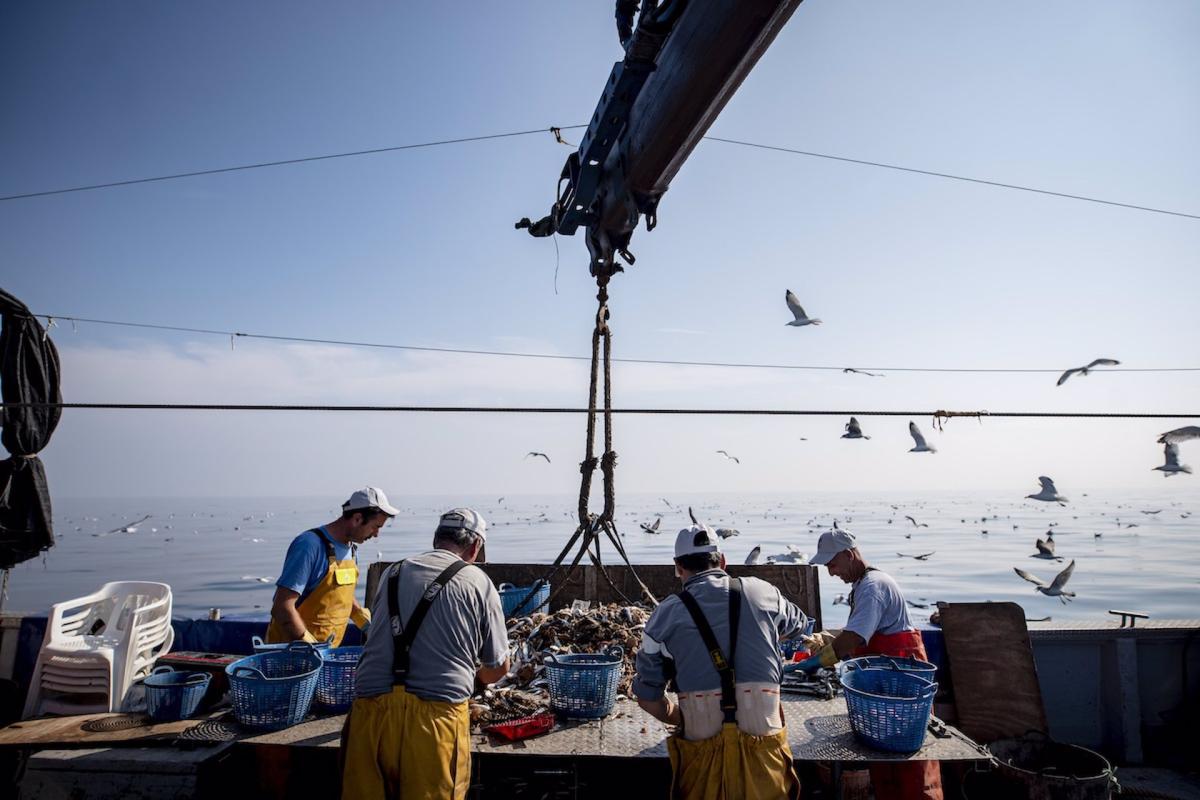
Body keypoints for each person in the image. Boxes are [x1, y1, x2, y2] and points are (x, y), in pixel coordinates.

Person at [341, 508, 510, 799]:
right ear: (475, 547)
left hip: (369, 715)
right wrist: (476, 679)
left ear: (436, 539)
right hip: (435, 723)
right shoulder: (479, 582)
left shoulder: (390, 573)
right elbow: (499, 667)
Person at [633, 523, 810, 799]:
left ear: (678, 567)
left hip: (703, 761)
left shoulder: (663, 617)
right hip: (766, 757)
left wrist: (682, 718)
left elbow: (647, 699)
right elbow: (800, 626)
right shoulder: (765, 592)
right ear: (723, 561)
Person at [798, 528, 944, 800]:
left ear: (850, 554)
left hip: (904, 684)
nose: (831, 572)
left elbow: (853, 639)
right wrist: (825, 637)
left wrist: (816, 662)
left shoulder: (872, 587)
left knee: (912, 759)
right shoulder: (864, 584)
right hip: (888, 683)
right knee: (884, 754)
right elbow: (859, 629)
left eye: (832, 564)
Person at [265, 487, 397, 647]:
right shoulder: (309, 545)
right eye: (376, 526)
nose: (376, 534)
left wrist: (367, 626)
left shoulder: (351, 550)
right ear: (357, 518)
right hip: (289, 658)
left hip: (327, 656)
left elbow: (340, 596)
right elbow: (282, 607)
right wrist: (310, 647)